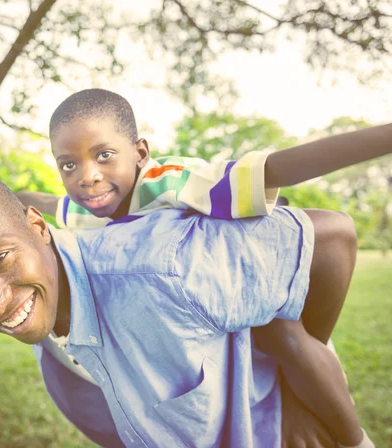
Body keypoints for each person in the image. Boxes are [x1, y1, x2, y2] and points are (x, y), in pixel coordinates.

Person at [18, 89, 369, 446]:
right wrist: (6, 198)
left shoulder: (170, 182)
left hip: (255, 277)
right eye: (68, 165)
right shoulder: (89, 209)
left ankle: (348, 437)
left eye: (104, 155)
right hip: (206, 318)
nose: (87, 176)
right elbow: (49, 202)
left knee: (284, 336)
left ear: (140, 153)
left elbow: (266, 172)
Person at [0, 174, 365, 447]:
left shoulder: (164, 269)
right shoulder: (45, 301)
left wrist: (300, 375)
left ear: (38, 228)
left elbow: (332, 236)